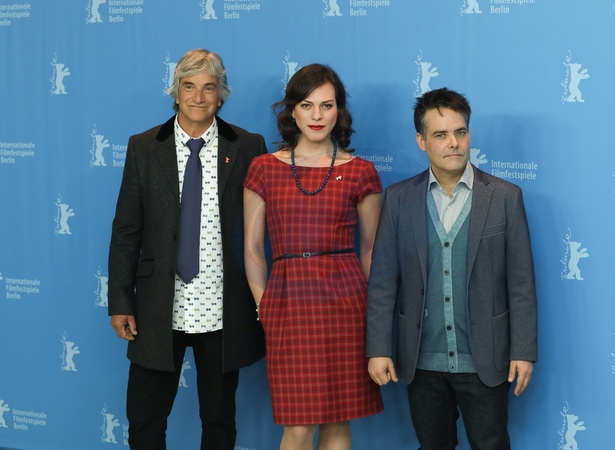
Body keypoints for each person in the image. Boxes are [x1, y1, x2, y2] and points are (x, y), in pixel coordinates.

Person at [108, 48, 267, 449]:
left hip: (223, 307)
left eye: (209, 88)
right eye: (189, 86)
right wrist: (121, 301)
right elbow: (126, 230)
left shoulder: (249, 146)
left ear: (221, 95)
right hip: (159, 308)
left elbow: (264, 229)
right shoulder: (144, 146)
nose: (199, 97)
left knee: (219, 421)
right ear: (176, 92)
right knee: (145, 421)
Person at [366, 88, 538, 449]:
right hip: (421, 362)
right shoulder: (399, 198)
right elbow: (383, 282)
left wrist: (522, 350)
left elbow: (521, 284)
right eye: (440, 135)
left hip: (485, 359)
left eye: (460, 132)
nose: (453, 143)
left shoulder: (505, 197)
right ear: (421, 141)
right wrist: (378, 348)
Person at [243, 64, 383, 449]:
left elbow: (371, 249)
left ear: (339, 111)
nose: (317, 115)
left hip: (346, 305)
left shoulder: (361, 172)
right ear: (292, 111)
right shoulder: (263, 168)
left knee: (338, 419)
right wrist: (264, 306)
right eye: (307, 105)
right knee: (299, 425)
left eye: (326, 105)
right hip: (287, 304)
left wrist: (375, 317)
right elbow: (252, 248)